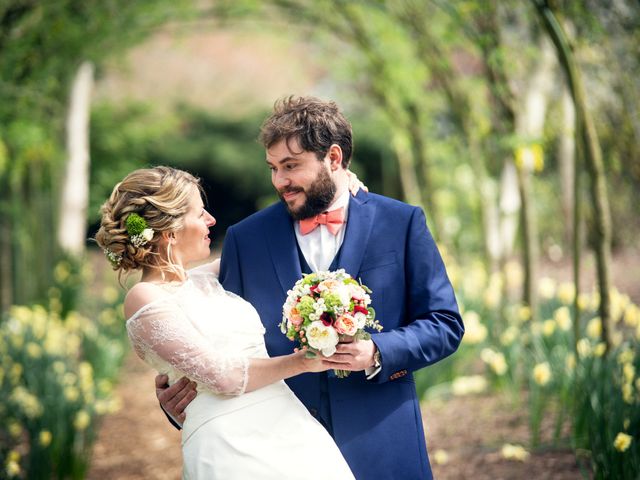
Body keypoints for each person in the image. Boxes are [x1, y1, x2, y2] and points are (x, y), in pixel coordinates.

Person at [157, 96, 465, 479]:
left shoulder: (401, 223)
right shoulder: (245, 239)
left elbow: (444, 323)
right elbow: (219, 349)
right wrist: (179, 403)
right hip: (272, 451)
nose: (279, 181)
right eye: (273, 168)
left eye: (291, 166)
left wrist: (377, 352)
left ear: (333, 158)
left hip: (382, 442)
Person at [95, 166, 355, 479]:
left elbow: (259, 241)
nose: (211, 220)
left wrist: (331, 184)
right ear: (170, 232)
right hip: (230, 443)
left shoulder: (205, 279)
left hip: (290, 426)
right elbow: (224, 377)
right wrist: (304, 362)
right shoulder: (144, 297)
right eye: (199, 213)